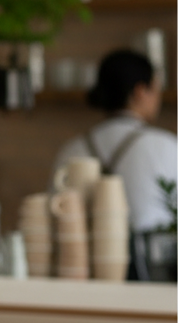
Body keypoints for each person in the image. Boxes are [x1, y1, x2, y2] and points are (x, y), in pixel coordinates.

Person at [51, 49, 176, 232]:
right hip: (156, 259)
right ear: (140, 91)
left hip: (80, 259)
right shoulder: (168, 146)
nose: (159, 98)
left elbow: (55, 215)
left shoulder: (70, 151)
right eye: (156, 89)